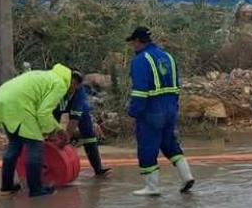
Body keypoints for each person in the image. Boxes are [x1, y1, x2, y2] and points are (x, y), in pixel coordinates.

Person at [126, 26, 195, 196]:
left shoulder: (140, 60)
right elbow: (176, 86)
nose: (132, 46)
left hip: (151, 110)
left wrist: (133, 112)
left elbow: (140, 91)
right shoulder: (168, 57)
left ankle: (152, 187)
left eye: (132, 42)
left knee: (147, 146)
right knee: (169, 143)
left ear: (137, 41)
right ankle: (187, 176)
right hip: (171, 108)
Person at [0, 63, 72, 197]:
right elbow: (43, 113)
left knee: (14, 145)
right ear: (68, 81)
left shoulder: (42, 75)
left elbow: (39, 110)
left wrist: (55, 128)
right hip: (19, 105)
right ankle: (36, 189)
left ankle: (6, 187)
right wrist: (55, 131)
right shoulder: (60, 84)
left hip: (1, 100)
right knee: (35, 145)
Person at [54, 71, 112, 177]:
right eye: (72, 83)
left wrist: (67, 138)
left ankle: (98, 169)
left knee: (89, 134)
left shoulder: (80, 93)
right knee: (51, 132)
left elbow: (74, 119)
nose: (73, 86)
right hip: (55, 107)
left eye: (76, 84)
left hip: (77, 108)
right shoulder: (55, 86)